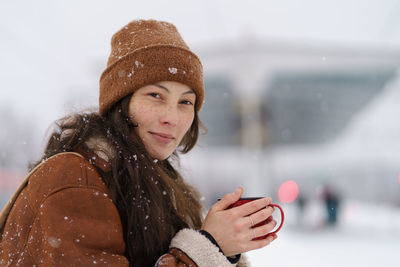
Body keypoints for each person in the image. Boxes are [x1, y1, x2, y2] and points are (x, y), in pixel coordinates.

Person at [0, 19, 278, 266]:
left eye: (186, 102)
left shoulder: (161, 185)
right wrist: (206, 248)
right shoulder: (74, 178)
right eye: (156, 96)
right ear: (121, 102)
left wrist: (223, 251)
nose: (172, 117)